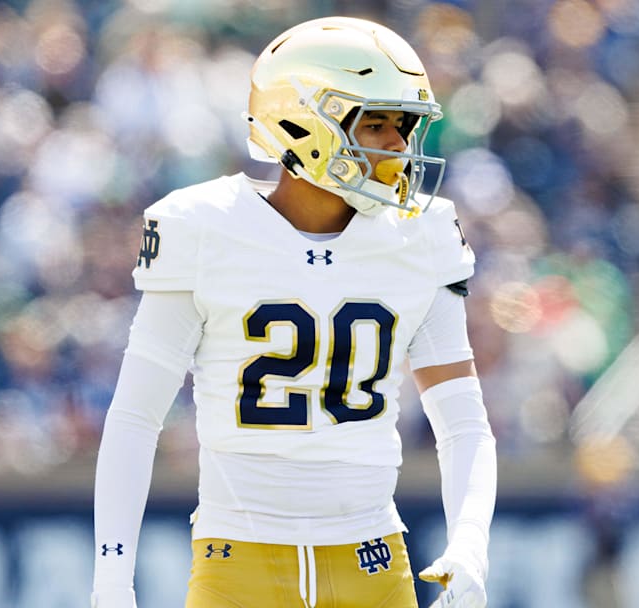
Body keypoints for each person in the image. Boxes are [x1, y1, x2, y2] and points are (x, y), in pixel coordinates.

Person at [91, 16, 497, 608]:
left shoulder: (422, 236)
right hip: (238, 562)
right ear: (301, 119)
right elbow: (134, 419)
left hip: (373, 561)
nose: (398, 147)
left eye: (405, 127)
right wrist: (111, 581)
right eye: (376, 123)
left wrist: (470, 545)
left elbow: (462, 424)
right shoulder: (204, 228)